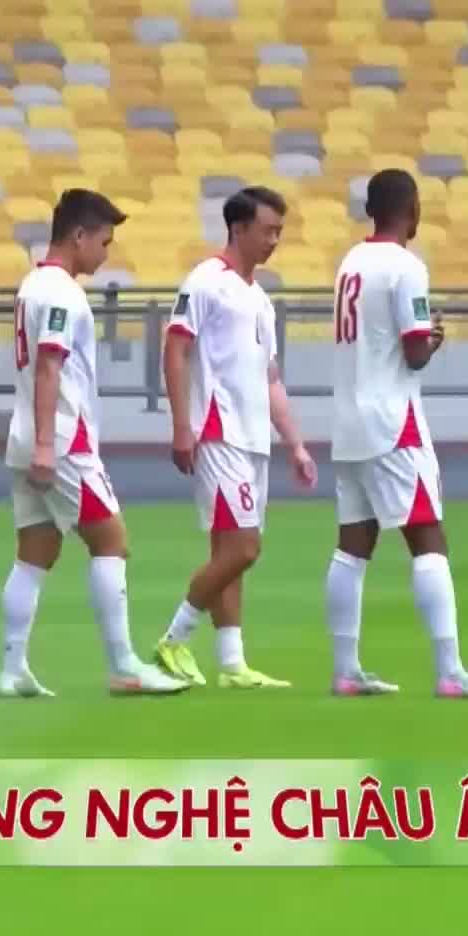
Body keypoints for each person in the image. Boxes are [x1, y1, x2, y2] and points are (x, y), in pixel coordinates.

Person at [0, 189, 191, 697]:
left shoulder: (31, 285)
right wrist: (47, 443)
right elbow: (49, 364)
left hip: (26, 433)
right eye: (103, 241)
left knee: (34, 552)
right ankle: (124, 665)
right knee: (112, 541)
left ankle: (12, 667)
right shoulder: (61, 292)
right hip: (61, 438)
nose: (106, 253)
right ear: (78, 236)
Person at [324, 169, 468, 699]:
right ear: (411, 208)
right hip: (392, 420)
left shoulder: (349, 263)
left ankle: (345, 669)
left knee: (352, 546)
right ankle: (450, 672)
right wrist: (434, 338)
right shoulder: (406, 267)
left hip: (349, 420)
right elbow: (415, 350)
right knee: (428, 537)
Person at [151, 187, 318, 690]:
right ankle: (173, 638)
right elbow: (176, 349)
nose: (274, 240)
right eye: (267, 230)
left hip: (253, 437)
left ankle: (231, 662)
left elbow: (270, 379)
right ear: (239, 228)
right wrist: (182, 424)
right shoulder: (207, 282)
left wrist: (295, 443)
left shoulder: (260, 301)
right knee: (244, 547)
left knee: (229, 549)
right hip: (217, 430)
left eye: (279, 232)